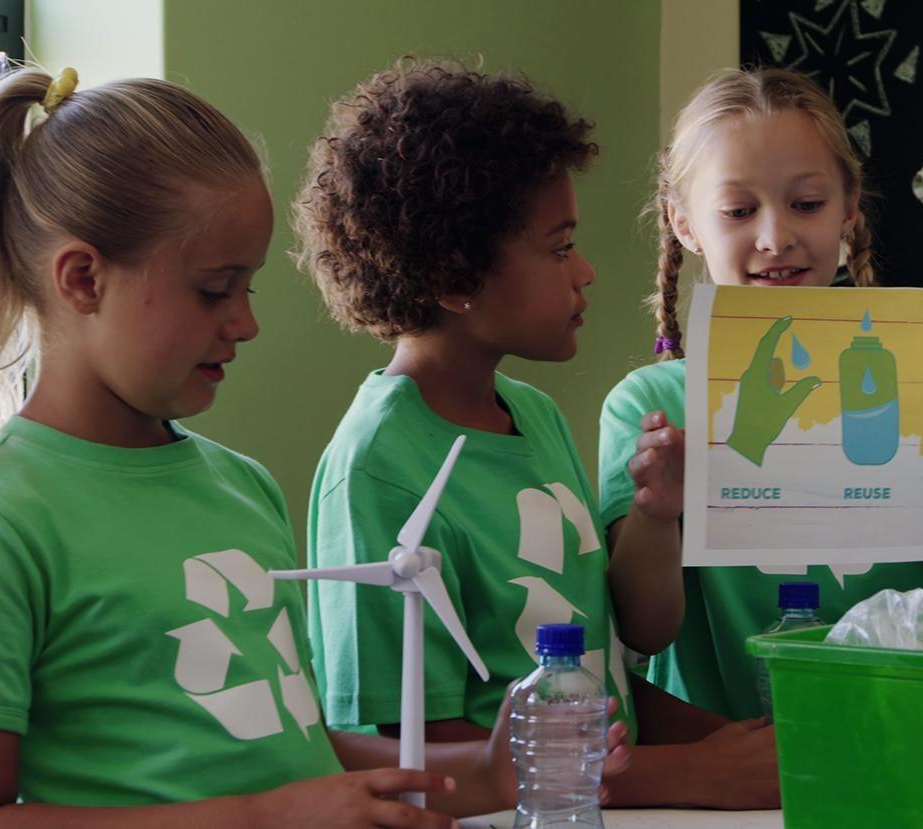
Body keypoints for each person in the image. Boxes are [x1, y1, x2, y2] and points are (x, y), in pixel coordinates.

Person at [0, 67, 596, 826]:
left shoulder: (244, 485)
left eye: (251, 288)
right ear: (81, 279)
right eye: (214, 289)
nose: (246, 323)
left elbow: (297, 747)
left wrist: (491, 771)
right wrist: (267, 816)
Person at [297, 59, 777, 809]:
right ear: (455, 278)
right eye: (559, 249)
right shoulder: (377, 468)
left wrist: (736, 743)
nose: (585, 272)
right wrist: (693, 774)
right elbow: (415, 751)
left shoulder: (536, 416)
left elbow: (605, 683)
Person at [599, 67, 923, 720]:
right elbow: (643, 629)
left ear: (849, 207)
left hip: (905, 735)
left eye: (806, 203)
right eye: (739, 211)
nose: (775, 236)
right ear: (684, 224)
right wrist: (656, 515)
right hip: (724, 758)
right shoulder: (649, 407)